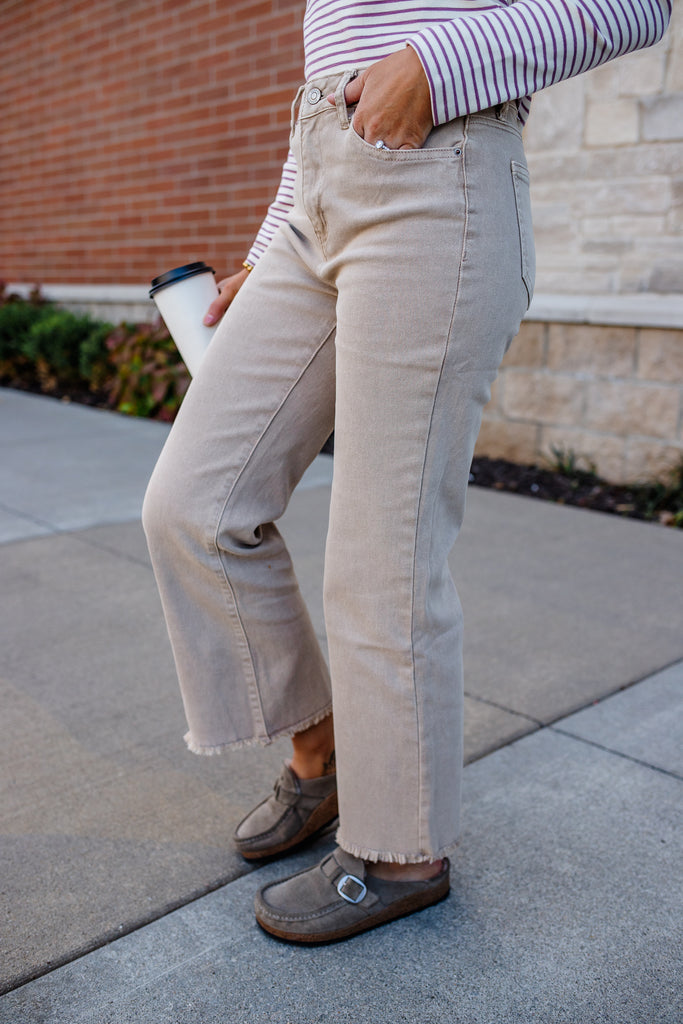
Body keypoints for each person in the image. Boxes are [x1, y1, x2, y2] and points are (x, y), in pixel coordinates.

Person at [142, 0, 671, 944]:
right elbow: (329, 94)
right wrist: (267, 257)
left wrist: (433, 61)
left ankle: (400, 851)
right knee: (193, 504)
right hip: (318, 206)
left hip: (440, 187)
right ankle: (325, 757)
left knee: (380, 561)